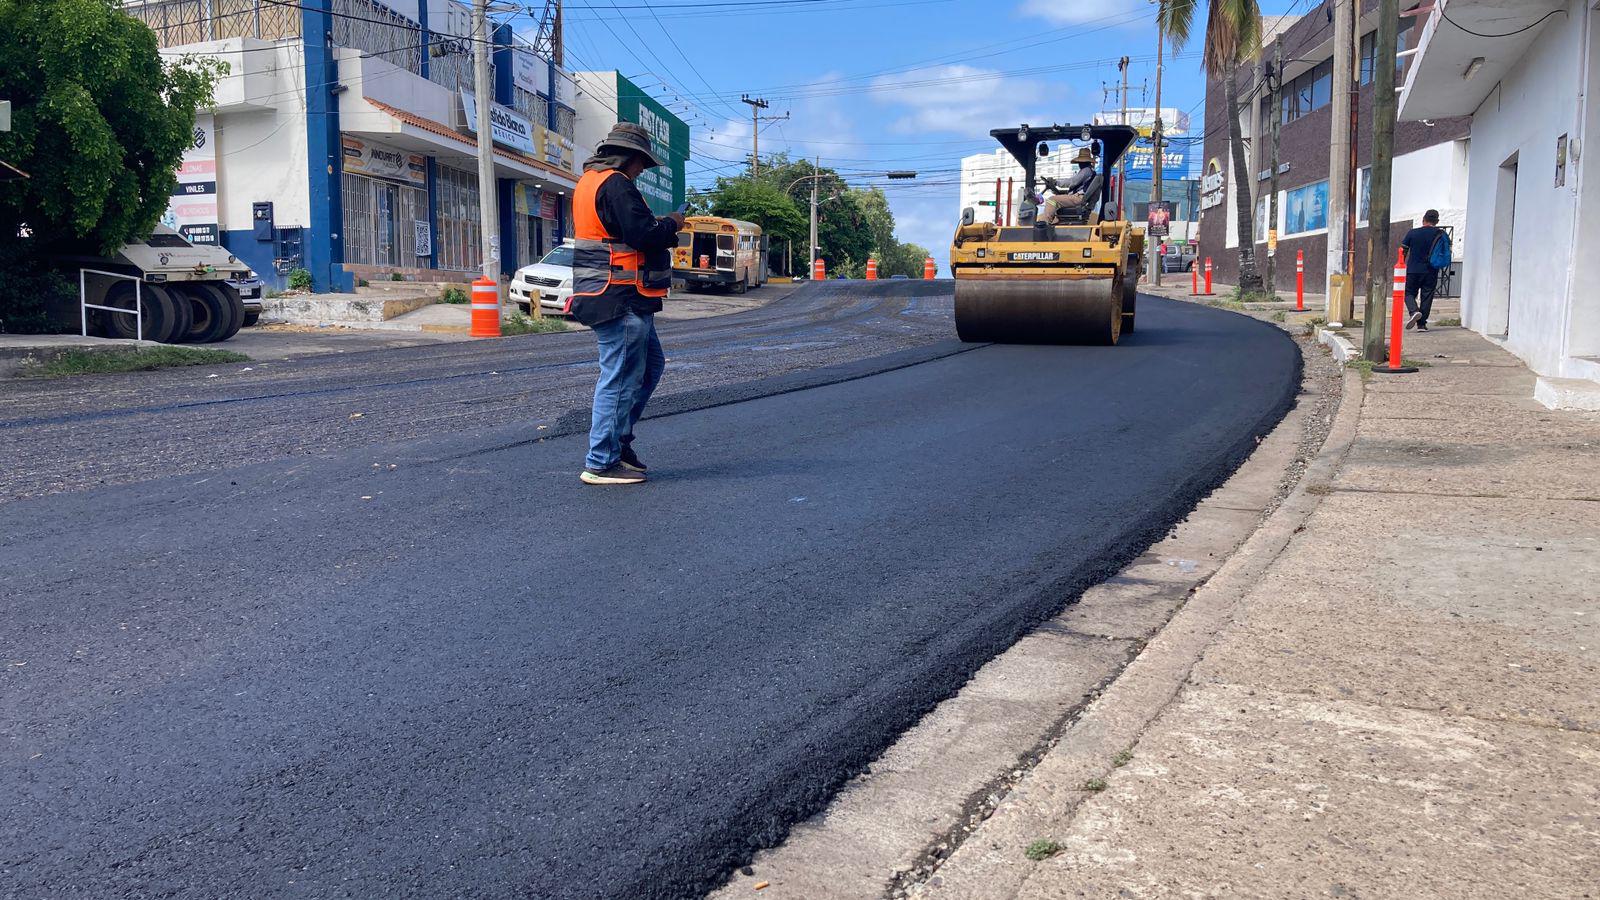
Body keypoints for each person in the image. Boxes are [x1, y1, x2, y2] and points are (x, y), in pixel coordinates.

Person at [568, 122, 685, 485]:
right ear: (630, 158)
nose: (641, 172)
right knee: (618, 378)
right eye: (642, 165)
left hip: (609, 294)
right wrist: (672, 223)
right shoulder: (616, 184)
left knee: (650, 366)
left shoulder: (589, 182)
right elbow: (643, 235)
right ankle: (601, 460)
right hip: (620, 297)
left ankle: (619, 443)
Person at [1400, 209, 1447, 331]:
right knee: (1427, 296)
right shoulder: (1440, 234)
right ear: (1436, 221)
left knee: (1409, 293)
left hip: (1413, 269)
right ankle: (1421, 324)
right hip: (1431, 270)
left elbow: (1402, 251)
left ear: (1423, 219)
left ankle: (1414, 311)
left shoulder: (1413, 233)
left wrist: (1401, 264)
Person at [1039, 147, 1101, 226]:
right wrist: (1057, 190)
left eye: (1080, 162)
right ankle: (1052, 222)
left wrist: (1056, 182)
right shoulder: (1088, 171)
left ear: (1084, 162)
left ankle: (1044, 225)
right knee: (1055, 199)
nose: (1079, 164)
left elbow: (1072, 182)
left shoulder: (1086, 170)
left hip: (1078, 198)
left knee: (1052, 200)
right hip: (1079, 198)